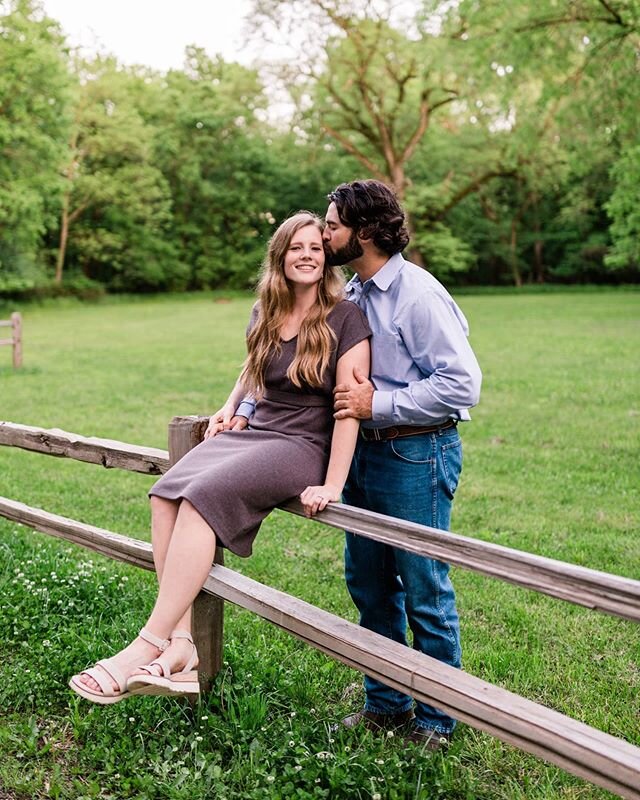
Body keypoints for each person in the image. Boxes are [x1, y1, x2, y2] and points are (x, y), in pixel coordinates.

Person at [69, 211, 371, 704]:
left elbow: (348, 411)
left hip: (301, 445)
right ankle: (183, 647)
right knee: (166, 494)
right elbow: (252, 370)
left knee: (201, 498)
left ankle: (146, 644)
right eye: (297, 247)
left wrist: (333, 483)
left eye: (316, 247)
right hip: (257, 432)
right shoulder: (265, 310)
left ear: (327, 258)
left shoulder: (346, 317)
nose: (307, 255)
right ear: (280, 255)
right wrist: (229, 408)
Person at [323, 180, 482, 750]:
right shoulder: (357, 294)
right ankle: (386, 703)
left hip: (416, 451)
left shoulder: (417, 294)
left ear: (364, 232)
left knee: (423, 586)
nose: (324, 232)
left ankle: (438, 721)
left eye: (333, 223)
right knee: (368, 584)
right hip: (364, 453)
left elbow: (463, 383)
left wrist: (379, 404)